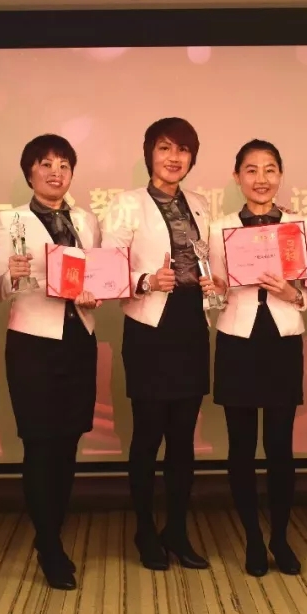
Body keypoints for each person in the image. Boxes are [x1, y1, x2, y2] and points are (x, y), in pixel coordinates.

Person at [100, 117, 217, 571]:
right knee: (148, 434)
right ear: (149, 152)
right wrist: (146, 280)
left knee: (183, 439)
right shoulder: (126, 204)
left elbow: (213, 259)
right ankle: (145, 530)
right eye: (165, 147)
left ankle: (177, 530)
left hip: (191, 325)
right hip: (150, 327)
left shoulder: (200, 204)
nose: (174, 157)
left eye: (183, 150)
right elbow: (107, 268)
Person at [0, 134, 102, 591]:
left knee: (68, 442)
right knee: (40, 445)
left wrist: (96, 292)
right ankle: (49, 545)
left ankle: (52, 529)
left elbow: (97, 275)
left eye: (63, 165)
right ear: (29, 172)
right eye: (46, 164)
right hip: (33, 342)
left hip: (79, 338)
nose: (56, 172)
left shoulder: (85, 221)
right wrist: (8, 277)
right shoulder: (9, 220)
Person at [207, 140, 307, 577]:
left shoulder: (298, 226)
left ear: (281, 175)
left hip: (282, 339)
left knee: (279, 447)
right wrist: (216, 290)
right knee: (240, 447)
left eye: (270, 169)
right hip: (237, 338)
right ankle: (253, 538)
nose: (261, 179)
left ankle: (280, 538)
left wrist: (292, 293)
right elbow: (214, 294)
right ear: (237, 177)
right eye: (251, 170)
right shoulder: (218, 229)